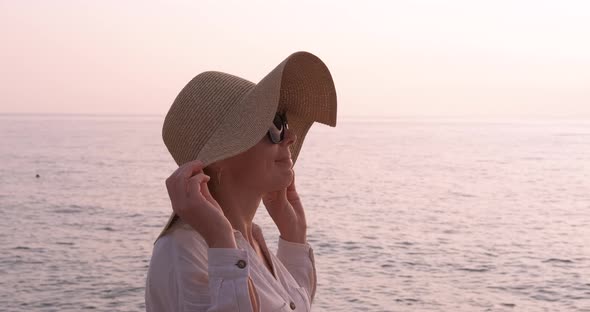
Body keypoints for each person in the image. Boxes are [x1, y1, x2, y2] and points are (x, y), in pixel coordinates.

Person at [145, 51, 337, 311]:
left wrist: (294, 237)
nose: (290, 136)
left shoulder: (251, 239)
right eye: (274, 126)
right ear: (223, 155)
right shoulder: (183, 249)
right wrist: (221, 241)